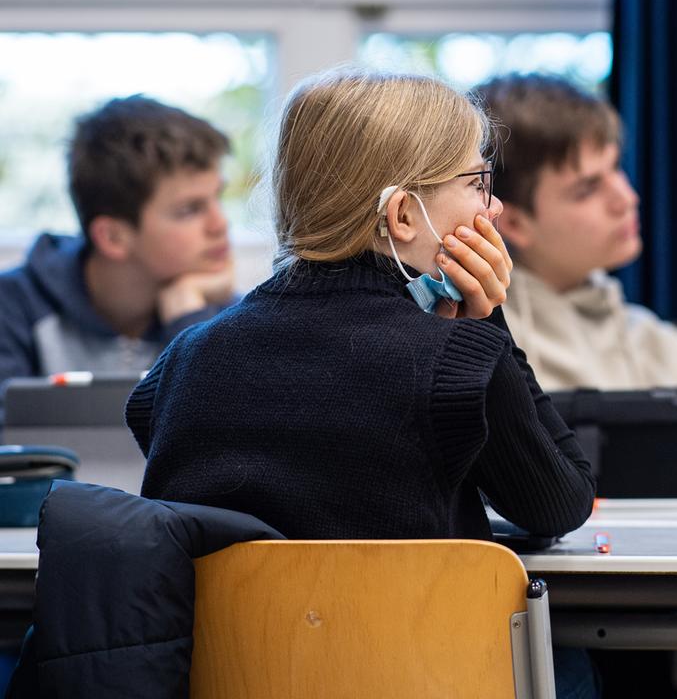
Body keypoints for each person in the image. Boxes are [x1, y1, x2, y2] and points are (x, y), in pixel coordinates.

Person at [126, 68, 598, 697]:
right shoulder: (457, 359)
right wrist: (493, 326)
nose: (496, 207)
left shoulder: (183, 359)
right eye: (478, 183)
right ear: (404, 214)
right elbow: (561, 502)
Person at [474, 73, 677, 492]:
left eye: (616, 170)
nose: (626, 198)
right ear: (513, 221)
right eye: (588, 188)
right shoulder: (472, 348)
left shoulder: (666, 350)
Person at [0, 95, 236, 430]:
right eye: (190, 210)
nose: (220, 224)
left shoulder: (225, 315)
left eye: (218, 198)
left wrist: (187, 318)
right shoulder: (12, 309)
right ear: (112, 237)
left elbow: (223, 447)